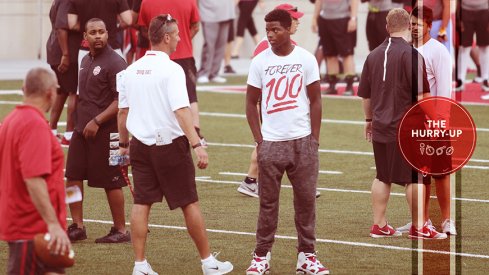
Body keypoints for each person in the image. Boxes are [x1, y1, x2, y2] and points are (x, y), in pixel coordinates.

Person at [117, 14, 234, 275]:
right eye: (177, 34)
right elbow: (182, 111)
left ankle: (139, 265)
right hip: (170, 146)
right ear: (166, 37)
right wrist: (197, 144)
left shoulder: (130, 69)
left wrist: (123, 145)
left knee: (141, 204)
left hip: (139, 146)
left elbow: (122, 113)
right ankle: (208, 263)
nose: (181, 38)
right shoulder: (172, 69)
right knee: (189, 203)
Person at [245, 9, 329, 275]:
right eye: (267, 30)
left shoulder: (306, 59)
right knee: (267, 205)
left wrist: (314, 139)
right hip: (271, 144)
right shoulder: (259, 62)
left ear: (289, 28)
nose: (270, 35)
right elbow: (250, 103)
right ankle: (261, 257)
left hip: (303, 142)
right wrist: (260, 141)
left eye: (275, 30)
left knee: (306, 203)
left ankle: (307, 257)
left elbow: (315, 100)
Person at [358, 8, 447, 239]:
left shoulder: (372, 55)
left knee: (382, 176)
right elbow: (422, 97)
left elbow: (366, 96)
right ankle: (419, 227)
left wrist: (369, 120)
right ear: (409, 26)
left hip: (380, 126)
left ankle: (379, 225)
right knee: (415, 177)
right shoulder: (412, 54)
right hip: (408, 128)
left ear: (387, 27)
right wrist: (437, 120)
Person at [238, 4, 321, 199]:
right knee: (268, 141)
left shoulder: (297, 51)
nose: (298, 22)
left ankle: (250, 180)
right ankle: (252, 180)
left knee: (271, 142)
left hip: (279, 105)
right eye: (295, 19)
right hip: (269, 102)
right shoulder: (267, 48)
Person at [0, 68, 72, 275]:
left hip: (29, 227)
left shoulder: (11, 120)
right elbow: (33, 178)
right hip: (33, 229)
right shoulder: (34, 125)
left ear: (24, 89)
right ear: (51, 93)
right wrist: (53, 224)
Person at [65, 18, 130, 243]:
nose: (98, 36)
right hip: (81, 131)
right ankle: (77, 226)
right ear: (85, 37)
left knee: (112, 181)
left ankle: (121, 230)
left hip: (108, 132)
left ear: (107, 34)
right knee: (72, 177)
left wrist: (97, 121)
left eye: (101, 31)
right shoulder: (84, 60)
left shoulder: (116, 62)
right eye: (93, 32)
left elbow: (121, 100)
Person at [393, 6, 455, 235]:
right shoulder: (406, 50)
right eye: (411, 24)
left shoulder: (438, 51)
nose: (414, 29)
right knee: (419, 175)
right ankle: (422, 220)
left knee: (441, 173)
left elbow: (444, 91)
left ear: (429, 25)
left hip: (435, 122)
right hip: (413, 125)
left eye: (418, 24)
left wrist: (440, 121)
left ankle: (447, 219)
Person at [138, 0, 205, 143]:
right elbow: (196, 26)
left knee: (156, 95)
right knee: (190, 95)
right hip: (184, 54)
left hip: (157, 55)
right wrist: (178, 40)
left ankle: (157, 131)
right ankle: (196, 131)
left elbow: (145, 30)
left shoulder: (146, 2)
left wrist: (161, 43)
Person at [47, 0, 81, 146]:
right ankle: (69, 134)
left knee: (62, 92)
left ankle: (51, 131)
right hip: (67, 52)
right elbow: (62, 27)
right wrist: (66, 55)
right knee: (74, 92)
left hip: (55, 50)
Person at [312, 0, 359, 95]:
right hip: (325, 20)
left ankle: (349, 86)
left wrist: (353, 18)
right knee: (330, 55)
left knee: (347, 54)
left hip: (343, 19)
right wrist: (314, 18)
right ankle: (332, 85)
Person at [67, 0, 132, 64]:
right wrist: (114, 28)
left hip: (87, 49)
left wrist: (90, 30)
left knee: (87, 74)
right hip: (112, 46)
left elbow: (72, 25)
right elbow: (128, 21)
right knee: (118, 73)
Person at [197, 0, 235, 84]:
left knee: (221, 45)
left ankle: (214, 73)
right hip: (209, 12)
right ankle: (204, 73)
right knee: (209, 45)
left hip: (227, 12)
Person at [456, 0, 489, 93]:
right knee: (464, 47)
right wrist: (458, 17)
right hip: (465, 11)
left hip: (484, 11)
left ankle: (485, 79)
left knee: (484, 47)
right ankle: (461, 80)